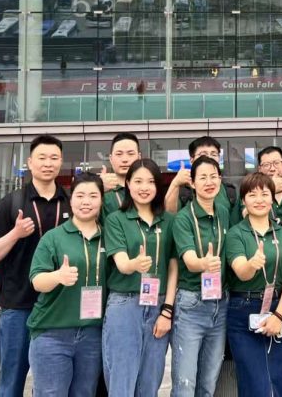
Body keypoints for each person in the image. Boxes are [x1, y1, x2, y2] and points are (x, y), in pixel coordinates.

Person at [0, 135, 70, 397]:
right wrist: (15, 234)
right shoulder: (13, 202)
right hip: (18, 305)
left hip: (59, 306)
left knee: (53, 385)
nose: (48, 164)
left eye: (54, 158)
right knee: (12, 381)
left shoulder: (71, 202)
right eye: (41, 158)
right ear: (30, 162)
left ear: (61, 162)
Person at [103, 159, 178, 397]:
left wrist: (167, 310)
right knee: (122, 382)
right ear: (127, 183)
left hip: (159, 305)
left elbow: (173, 266)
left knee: (151, 382)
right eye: (137, 181)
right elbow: (122, 263)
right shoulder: (117, 219)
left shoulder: (169, 221)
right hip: (125, 305)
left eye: (150, 181)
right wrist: (134, 264)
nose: (144, 187)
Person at [28, 173, 107, 397]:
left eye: (93, 195)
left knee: (85, 393)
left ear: (101, 200)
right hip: (52, 333)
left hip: (93, 334)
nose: (86, 201)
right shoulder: (54, 238)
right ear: (71, 200)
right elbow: (37, 281)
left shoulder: (111, 237)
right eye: (80, 195)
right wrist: (58, 277)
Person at [225, 172, 282, 396]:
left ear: (272, 198)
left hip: (278, 309)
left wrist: (279, 316)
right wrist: (252, 264)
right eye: (252, 194)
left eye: (264, 193)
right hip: (243, 310)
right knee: (255, 383)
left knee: (277, 380)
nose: (259, 199)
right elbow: (241, 272)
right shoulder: (236, 234)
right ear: (244, 200)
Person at [170, 156, 231, 397]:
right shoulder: (183, 218)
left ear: (220, 180)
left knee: (208, 384)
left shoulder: (224, 212)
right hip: (191, 304)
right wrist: (204, 263)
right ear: (192, 183)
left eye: (213, 176)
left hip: (220, 303)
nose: (209, 182)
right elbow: (189, 261)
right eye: (202, 177)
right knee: (185, 385)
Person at [166, 135, 240, 220]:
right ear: (191, 160)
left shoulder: (229, 192)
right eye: (203, 154)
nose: (209, 157)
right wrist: (175, 183)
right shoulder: (183, 190)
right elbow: (169, 214)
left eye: (214, 154)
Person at [99, 132, 142, 217]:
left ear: (139, 157)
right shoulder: (103, 192)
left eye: (130, 154)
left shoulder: (149, 189)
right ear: (111, 159)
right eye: (119, 154)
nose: (125, 159)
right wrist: (98, 188)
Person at [259, 145, 282, 228]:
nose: (272, 169)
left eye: (276, 163)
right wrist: (271, 189)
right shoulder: (250, 193)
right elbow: (245, 215)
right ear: (260, 169)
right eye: (266, 165)